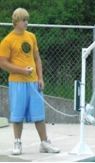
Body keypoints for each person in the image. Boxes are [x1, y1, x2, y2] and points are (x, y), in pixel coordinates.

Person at [0, 8, 60, 155]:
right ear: (16, 22)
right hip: (17, 83)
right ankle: (17, 143)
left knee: (39, 114)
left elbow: (37, 58)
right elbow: (3, 63)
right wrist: (22, 71)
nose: (27, 22)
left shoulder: (31, 36)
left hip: (33, 82)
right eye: (24, 20)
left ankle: (44, 143)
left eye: (27, 19)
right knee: (17, 114)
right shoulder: (7, 40)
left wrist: (40, 78)